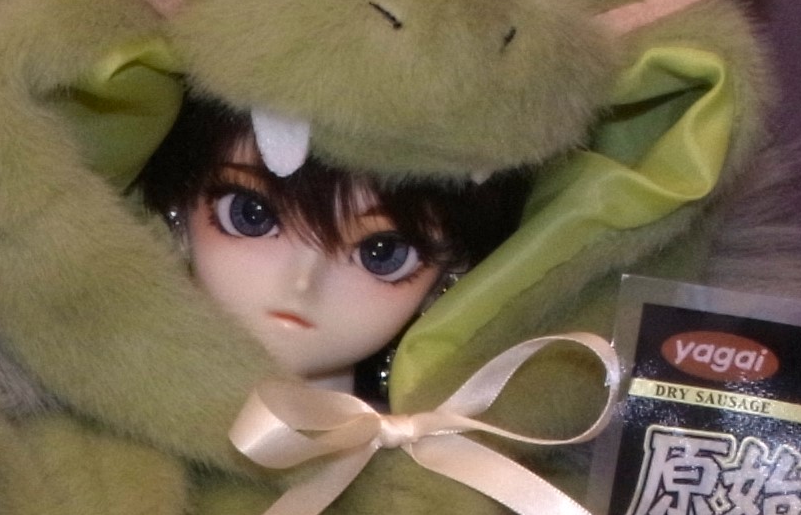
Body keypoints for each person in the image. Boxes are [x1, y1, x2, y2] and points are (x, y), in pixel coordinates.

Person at [138, 98, 533, 390]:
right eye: (251, 215)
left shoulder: (447, 463)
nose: (303, 283)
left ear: (447, 276)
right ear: (181, 204)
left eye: (382, 254)